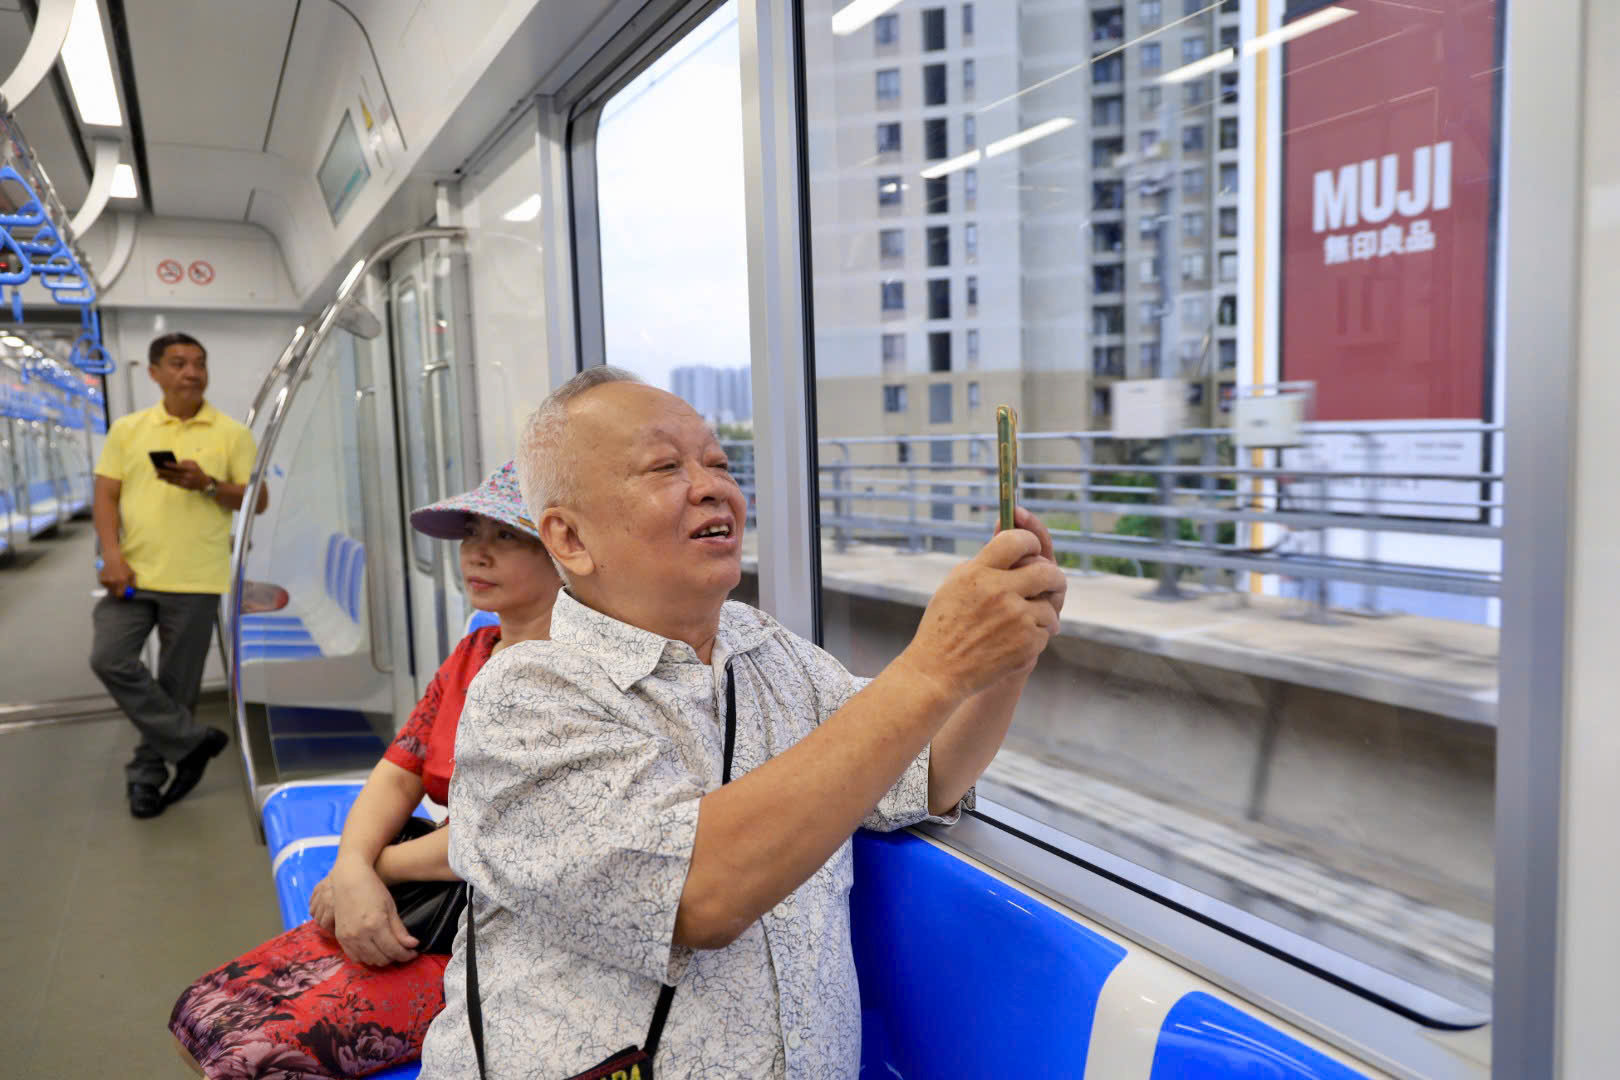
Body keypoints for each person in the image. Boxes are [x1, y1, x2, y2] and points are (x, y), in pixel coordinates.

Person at [419, 368, 1067, 1079]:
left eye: (720, 463)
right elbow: (700, 894)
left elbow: (924, 766)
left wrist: (1004, 657)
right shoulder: (524, 697)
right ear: (569, 539)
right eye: (665, 466)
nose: (711, 485)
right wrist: (936, 667)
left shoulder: (767, 649)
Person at [169, 462, 563, 1079]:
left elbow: (509, 837)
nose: (477, 554)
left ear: (564, 549)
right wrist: (351, 865)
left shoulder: (568, 680)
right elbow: (399, 769)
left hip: (499, 928)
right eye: (470, 536)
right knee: (201, 1010)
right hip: (434, 889)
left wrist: (366, 870)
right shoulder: (474, 652)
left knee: (249, 1060)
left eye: (506, 537)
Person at [90, 332, 270, 819]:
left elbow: (259, 499)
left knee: (176, 688)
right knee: (109, 657)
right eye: (177, 363)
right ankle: (192, 742)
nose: (191, 372)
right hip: (133, 572)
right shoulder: (128, 429)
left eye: (198, 363)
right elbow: (106, 495)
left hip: (196, 578)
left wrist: (207, 484)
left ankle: (146, 777)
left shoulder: (231, 433)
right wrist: (111, 554)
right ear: (154, 373)